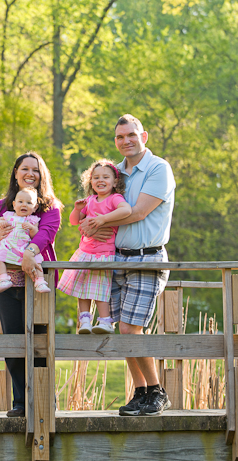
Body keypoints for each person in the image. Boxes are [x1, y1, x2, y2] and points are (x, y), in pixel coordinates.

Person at [80, 114, 175, 416]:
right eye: (120, 137)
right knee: (123, 330)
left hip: (147, 257)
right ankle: (140, 391)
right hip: (115, 257)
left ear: (143, 136)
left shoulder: (158, 169)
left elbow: (136, 213)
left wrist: (100, 221)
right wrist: (89, 223)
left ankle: (158, 392)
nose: (126, 141)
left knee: (132, 328)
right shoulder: (113, 172)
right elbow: (93, 205)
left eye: (131, 135)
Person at [0, 152, 63, 417]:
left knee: (40, 343)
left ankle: (43, 400)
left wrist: (28, 254)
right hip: (4, 286)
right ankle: (20, 402)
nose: (30, 173)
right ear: (15, 172)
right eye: (24, 168)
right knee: (13, 343)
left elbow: (46, 237)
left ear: (42, 175)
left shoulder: (50, 207)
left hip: (37, 282)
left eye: (35, 170)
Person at [57, 159, 131, 334]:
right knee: (81, 287)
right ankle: (84, 321)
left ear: (115, 182)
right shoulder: (89, 200)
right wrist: (76, 209)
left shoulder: (115, 199)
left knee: (99, 287)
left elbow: (126, 210)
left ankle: (105, 322)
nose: (100, 180)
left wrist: (101, 219)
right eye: (96, 177)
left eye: (106, 177)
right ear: (90, 182)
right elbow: (74, 221)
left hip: (103, 253)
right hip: (84, 252)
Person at [0, 186, 51, 294]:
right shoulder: (9, 215)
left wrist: (32, 228)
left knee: (37, 259)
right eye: (20, 202)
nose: (24, 205)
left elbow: (35, 235)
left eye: (28, 203)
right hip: (9, 246)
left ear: (35, 207)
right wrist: (0, 223)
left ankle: (40, 282)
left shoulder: (32, 220)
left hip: (24, 248)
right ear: (14, 204)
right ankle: (4, 278)